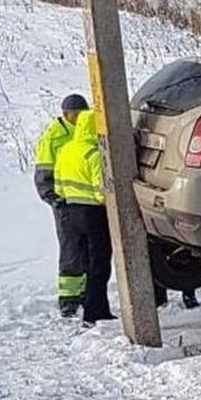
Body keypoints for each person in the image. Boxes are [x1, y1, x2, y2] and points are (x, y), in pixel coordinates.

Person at [54, 110, 115, 327]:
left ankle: (86, 305)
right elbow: (102, 190)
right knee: (99, 263)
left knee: (81, 260)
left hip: (70, 213)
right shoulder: (94, 154)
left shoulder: (65, 150)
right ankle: (95, 310)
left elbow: (58, 186)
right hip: (94, 215)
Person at [34, 94, 89, 317]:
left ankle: (86, 292)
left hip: (88, 200)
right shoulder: (54, 137)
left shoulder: (87, 129)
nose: (78, 118)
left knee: (88, 249)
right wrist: (52, 197)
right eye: (75, 114)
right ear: (66, 114)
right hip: (65, 203)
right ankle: (68, 299)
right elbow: (43, 172)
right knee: (71, 250)